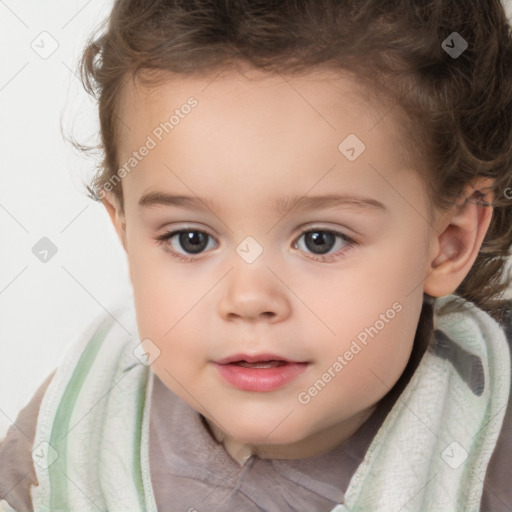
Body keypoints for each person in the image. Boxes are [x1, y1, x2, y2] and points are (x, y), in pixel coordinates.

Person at [1, 0, 512, 510]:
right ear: (127, 233)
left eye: (320, 240)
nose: (248, 299)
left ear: (448, 241)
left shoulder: (485, 457)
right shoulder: (80, 422)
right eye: (191, 239)